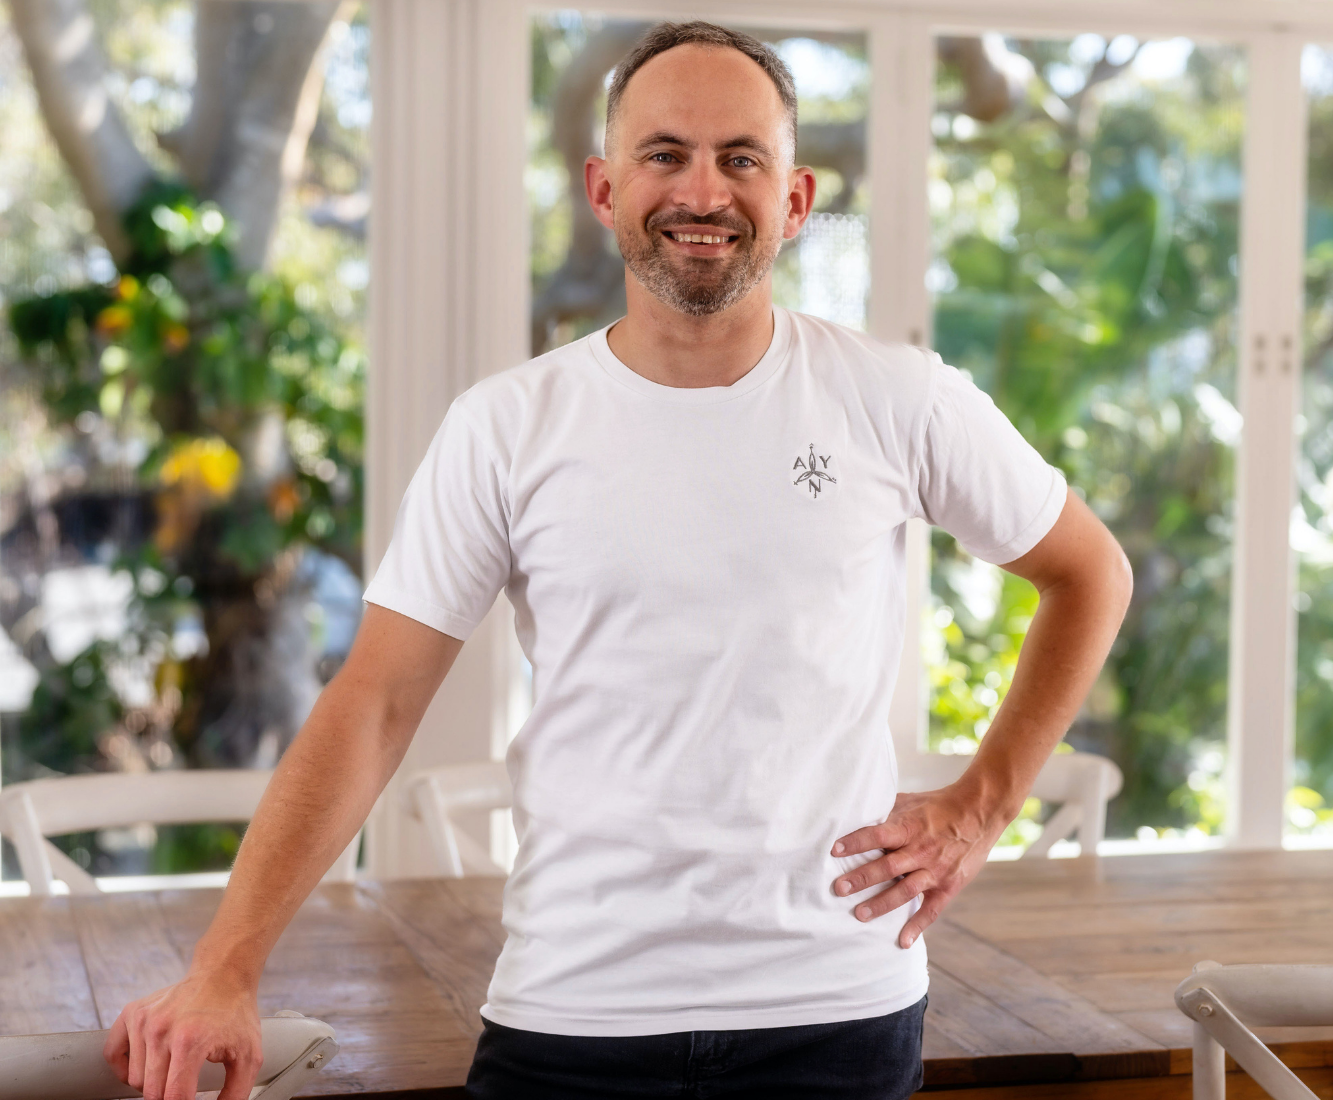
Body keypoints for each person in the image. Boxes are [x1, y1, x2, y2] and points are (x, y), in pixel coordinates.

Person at [103, 19, 1133, 1100]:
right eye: (665, 154)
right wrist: (224, 968)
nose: (703, 190)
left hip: (834, 1005)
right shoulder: (506, 426)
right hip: (573, 1007)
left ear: (794, 199)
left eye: (742, 158)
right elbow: (374, 702)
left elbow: (1089, 569)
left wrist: (980, 804)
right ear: (603, 188)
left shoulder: (897, 396)